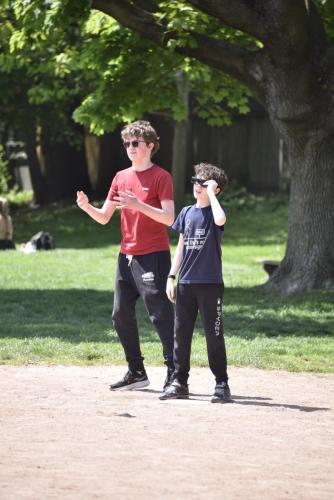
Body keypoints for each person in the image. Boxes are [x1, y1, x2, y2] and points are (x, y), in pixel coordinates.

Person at [76, 120, 175, 390]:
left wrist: (137, 204)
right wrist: (87, 207)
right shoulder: (120, 177)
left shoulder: (161, 177)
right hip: (126, 256)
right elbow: (104, 217)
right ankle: (136, 371)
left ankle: (175, 371)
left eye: (136, 143)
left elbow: (169, 218)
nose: (130, 148)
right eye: (127, 143)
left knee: (160, 314)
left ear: (150, 146)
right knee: (120, 314)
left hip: (153, 255)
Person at [160, 162, 231, 403]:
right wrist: (171, 276)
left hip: (210, 284)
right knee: (181, 334)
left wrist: (211, 192)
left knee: (214, 334)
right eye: (195, 182)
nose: (197, 186)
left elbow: (221, 220)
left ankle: (221, 384)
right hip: (186, 284)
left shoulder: (214, 212)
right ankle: (179, 381)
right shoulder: (187, 212)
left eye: (203, 183)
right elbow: (180, 246)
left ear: (215, 189)